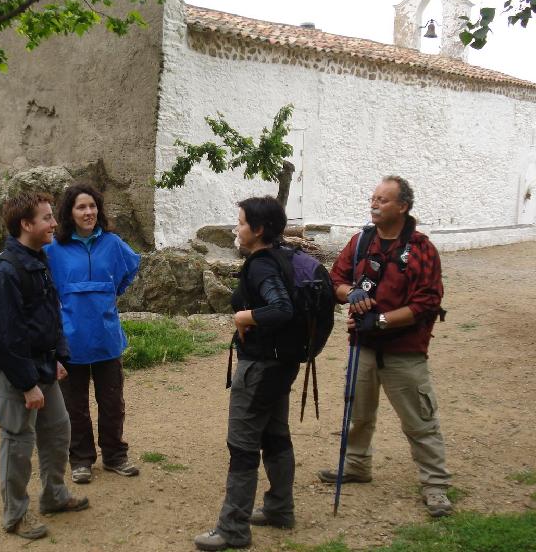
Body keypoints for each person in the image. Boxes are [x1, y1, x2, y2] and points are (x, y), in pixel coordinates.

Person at [318, 175, 452, 518]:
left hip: (404, 352)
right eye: (373, 198)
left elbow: (427, 302)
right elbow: (335, 279)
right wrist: (353, 294)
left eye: (383, 199)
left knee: (420, 421)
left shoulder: (421, 249)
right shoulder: (361, 241)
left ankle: (435, 485)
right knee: (358, 415)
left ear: (403, 207)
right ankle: (357, 466)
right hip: (362, 347)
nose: (374, 204)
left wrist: (379, 321)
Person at [194, 196, 300, 552]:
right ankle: (280, 508)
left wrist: (244, 317)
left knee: (242, 447)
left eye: (240, 223)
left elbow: (281, 307)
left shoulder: (260, 267)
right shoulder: (280, 258)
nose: (236, 229)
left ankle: (233, 530)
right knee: (274, 436)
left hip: (259, 369)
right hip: (279, 365)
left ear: (258, 230)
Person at [0, 191, 89, 541]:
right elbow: (6, 336)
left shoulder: (37, 259)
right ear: (26, 224)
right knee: (17, 442)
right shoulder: (5, 271)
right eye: (46, 218)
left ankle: (54, 495)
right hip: (17, 373)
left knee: (58, 430)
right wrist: (27, 383)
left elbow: (50, 313)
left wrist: (59, 356)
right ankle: (15, 515)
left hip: (43, 366)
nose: (55, 223)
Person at [44, 184, 141, 485]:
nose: (88, 212)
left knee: (112, 402)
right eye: (81, 207)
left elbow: (129, 268)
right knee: (75, 406)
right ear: (69, 213)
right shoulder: (52, 250)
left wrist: (110, 294)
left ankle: (115, 456)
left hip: (106, 336)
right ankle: (81, 459)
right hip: (70, 339)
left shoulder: (112, 243)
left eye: (92, 207)